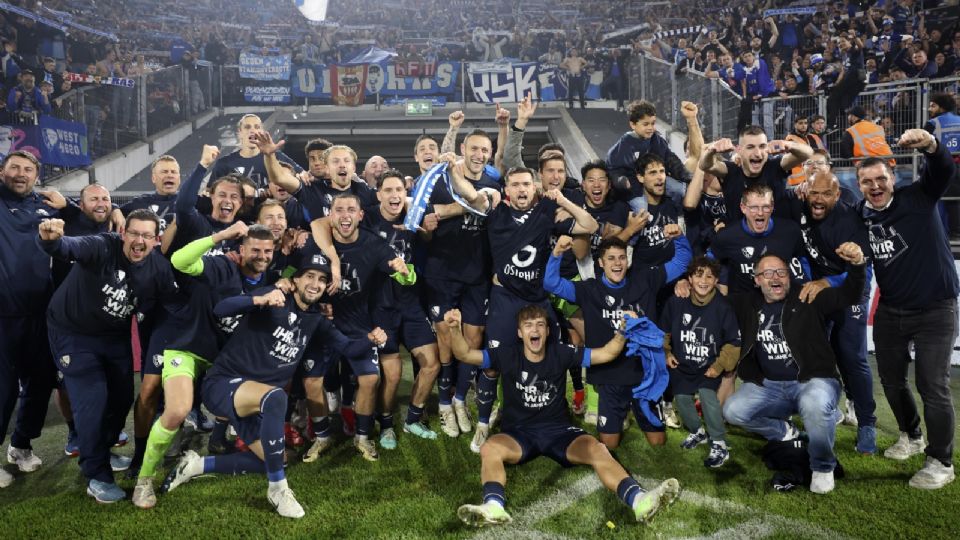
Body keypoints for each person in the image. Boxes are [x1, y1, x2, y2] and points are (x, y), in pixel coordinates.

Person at [161, 257, 386, 518]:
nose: (315, 284)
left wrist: (371, 340)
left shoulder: (317, 320)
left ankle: (195, 465)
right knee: (276, 396)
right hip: (223, 385)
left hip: (259, 403)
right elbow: (221, 309)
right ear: (296, 280)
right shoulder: (273, 297)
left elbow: (348, 347)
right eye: (309, 276)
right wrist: (257, 299)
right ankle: (278, 490)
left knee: (276, 459)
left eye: (322, 279)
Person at [444, 307, 681, 527]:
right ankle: (494, 506)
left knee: (598, 450)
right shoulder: (506, 354)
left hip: (559, 432)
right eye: (528, 325)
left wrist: (622, 330)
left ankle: (639, 501)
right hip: (518, 433)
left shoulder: (561, 352)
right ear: (519, 332)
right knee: (490, 449)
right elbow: (464, 354)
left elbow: (607, 353)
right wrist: (455, 329)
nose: (534, 330)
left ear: (547, 331)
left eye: (539, 325)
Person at [446, 162, 598, 452]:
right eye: (515, 185)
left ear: (535, 187)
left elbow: (590, 226)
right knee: (492, 366)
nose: (521, 190)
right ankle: (483, 425)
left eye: (526, 184)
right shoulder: (496, 209)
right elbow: (470, 195)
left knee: (551, 356)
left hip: (536, 300)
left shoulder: (547, 212)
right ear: (506, 189)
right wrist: (454, 171)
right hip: (505, 298)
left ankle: (553, 414)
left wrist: (563, 199)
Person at [132, 222, 278, 508]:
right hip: (187, 348)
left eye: (268, 251)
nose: (262, 256)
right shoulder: (222, 266)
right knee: (177, 409)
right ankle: (144, 479)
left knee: (268, 447)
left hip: (223, 364)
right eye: (255, 250)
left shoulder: (268, 280)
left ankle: (207, 455)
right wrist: (220, 236)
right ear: (241, 250)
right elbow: (178, 260)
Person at [40, 209, 177, 503]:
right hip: (72, 332)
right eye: (134, 233)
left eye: (147, 236)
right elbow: (68, 247)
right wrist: (52, 241)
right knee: (93, 399)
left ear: (156, 240)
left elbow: (172, 305)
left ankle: (100, 449)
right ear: (123, 233)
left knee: (122, 396)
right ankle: (97, 473)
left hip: (113, 336)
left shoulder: (158, 268)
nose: (139, 240)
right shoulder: (103, 245)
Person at [855, 129, 958, 490]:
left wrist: (931, 145)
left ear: (893, 177)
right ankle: (910, 436)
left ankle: (941, 461)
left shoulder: (919, 196)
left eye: (880, 178)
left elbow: (943, 170)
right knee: (892, 381)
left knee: (933, 385)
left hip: (936, 309)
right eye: (866, 181)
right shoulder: (859, 216)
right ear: (861, 187)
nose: (874, 185)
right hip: (892, 311)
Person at [722, 243, 868, 494]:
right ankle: (785, 430)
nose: (775, 278)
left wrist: (857, 266)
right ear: (757, 280)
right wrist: (684, 285)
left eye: (781, 272)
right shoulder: (745, 303)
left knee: (814, 402)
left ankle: (823, 466)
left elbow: (851, 294)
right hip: (770, 387)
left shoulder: (808, 295)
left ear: (789, 276)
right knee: (733, 410)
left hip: (812, 381)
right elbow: (711, 299)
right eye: (767, 274)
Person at [545, 234, 691, 449]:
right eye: (611, 258)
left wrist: (679, 237)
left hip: (645, 377)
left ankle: (643, 414)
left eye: (621, 258)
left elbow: (681, 262)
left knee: (658, 442)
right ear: (601, 263)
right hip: (609, 378)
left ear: (628, 261)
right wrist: (557, 253)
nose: (617, 263)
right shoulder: (589, 290)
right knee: (609, 445)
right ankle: (619, 417)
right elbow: (551, 283)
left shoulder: (645, 280)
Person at [308, 193, 410, 461]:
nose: (345, 215)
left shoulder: (373, 244)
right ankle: (321, 437)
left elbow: (395, 264)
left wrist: (400, 266)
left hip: (357, 325)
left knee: (370, 379)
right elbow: (295, 275)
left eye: (351, 210)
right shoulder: (318, 241)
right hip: (323, 325)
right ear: (330, 215)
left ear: (360, 215)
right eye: (339, 210)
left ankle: (362, 438)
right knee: (311, 381)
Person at [792, 172, 877, 454]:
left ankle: (867, 425)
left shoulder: (850, 222)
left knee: (852, 358)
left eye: (825, 194)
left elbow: (862, 270)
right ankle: (821, 414)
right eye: (813, 192)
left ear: (837, 195)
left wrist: (827, 281)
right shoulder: (801, 206)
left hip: (850, 288)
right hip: (818, 288)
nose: (818, 200)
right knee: (814, 356)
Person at [0, 151, 69, 488]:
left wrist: (67, 204)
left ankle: (21, 445)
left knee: (40, 383)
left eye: (28, 170)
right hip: (3, 315)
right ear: (2, 171)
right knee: (2, 389)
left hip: (40, 314)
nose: (21, 174)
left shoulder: (46, 206)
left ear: (37, 176)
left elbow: (88, 219)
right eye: (14, 167)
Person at [661, 256, 740, 468]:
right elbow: (664, 332)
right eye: (698, 275)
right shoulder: (676, 302)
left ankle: (719, 442)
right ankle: (698, 432)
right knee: (682, 399)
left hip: (709, 366)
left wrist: (719, 366)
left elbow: (733, 342)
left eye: (709, 276)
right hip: (683, 365)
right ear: (689, 278)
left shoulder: (723, 307)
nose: (703, 280)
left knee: (707, 397)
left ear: (716, 281)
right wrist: (667, 353)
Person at [699, 125, 813, 225]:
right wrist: (712, 150)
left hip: (775, 240)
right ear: (739, 150)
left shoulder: (776, 166)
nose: (757, 153)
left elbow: (807, 154)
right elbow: (705, 166)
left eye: (762, 146)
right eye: (750, 147)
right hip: (740, 241)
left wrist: (788, 145)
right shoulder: (730, 170)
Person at [606, 100, 698, 207]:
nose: (650, 128)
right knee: (641, 207)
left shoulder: (656, 140)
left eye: (653, 123)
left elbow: (670, 159)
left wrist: (686, 176)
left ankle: (673, 216)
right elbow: (614, 170)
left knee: (678, 190)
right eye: (645, 124)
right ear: (633, 124)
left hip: (655, 179)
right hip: (635, 187)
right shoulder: (623, 146)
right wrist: (622, 182)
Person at [207, 114, 302, 191]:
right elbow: (210, 192)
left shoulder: (275, 156)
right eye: (247, 127)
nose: (252, 130)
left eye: (257, 127)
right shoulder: (224, 163)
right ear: (239, 132)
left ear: (262, 131)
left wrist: (304, 176)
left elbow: (301, 175)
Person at [120, 155, 180, 234]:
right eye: (164, 172)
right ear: (153, 178)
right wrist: (115, 210)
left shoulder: (191, 202)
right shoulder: (140, 202)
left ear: (179, 178)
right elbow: (111, 212)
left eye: (173, 172)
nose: (169, 175)